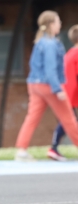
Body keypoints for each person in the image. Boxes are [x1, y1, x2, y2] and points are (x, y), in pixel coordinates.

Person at [15, 10, 78, 161]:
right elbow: (51, 69)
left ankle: (21, 150)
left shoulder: (40, 42)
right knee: (69, 118)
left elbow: (33, 64)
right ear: (51, 24)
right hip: (49, 85)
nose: (60, 25)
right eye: (58, 22)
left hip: (34, 84)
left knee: (32, 118)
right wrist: (57, 88)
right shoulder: (51, 44)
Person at [47, 24, 78, 161]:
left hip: (67, 93)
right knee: (69, 121)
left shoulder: (70, 53)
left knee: (68, 121)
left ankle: (54, 147)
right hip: (71, 93)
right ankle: (53, 148)